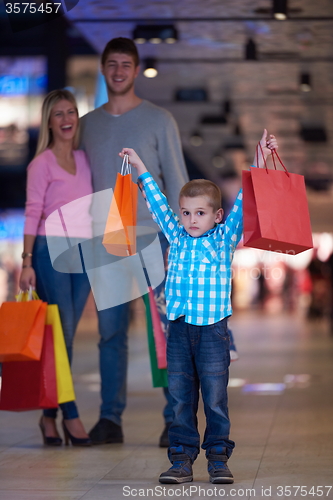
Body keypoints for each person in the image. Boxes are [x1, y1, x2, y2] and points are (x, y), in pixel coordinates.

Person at [119, 129, 278, 484]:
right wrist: (141, 166)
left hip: (212, 332)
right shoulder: (175, 234)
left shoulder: (224, 239)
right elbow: (156, 200)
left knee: (216, 397)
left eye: (201, 213)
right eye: (187, 212)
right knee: (180, 397)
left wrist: (260, 159)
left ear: (217, 216)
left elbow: (244, 200)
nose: (192, 219)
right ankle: (181, 459)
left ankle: (218, 457)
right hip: (178, 328)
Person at [79, 37, 189, 446]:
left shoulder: (160, 119)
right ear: (104, 69)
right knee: (110, 333)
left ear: (136, 69)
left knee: (166, 329)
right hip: (106, 241)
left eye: (127, 64)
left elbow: (176, 178)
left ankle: (174, 418)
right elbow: (80, 184)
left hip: (155, 237)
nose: (119, 71)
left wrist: (183, 238)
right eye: (112, 64)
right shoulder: (88, 124)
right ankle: (110, 419)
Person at [19, 89, 92, 447]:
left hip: (85, 251)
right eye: (59, 114)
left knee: (64, 336)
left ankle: (48, 418)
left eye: (71, 112)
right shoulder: (41, 164)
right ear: (49, 121)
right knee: (61, 334)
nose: (66, 119)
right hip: (50, 251)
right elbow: (32, 212)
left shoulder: (84, 158)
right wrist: (26, 261)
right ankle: (71, 415)